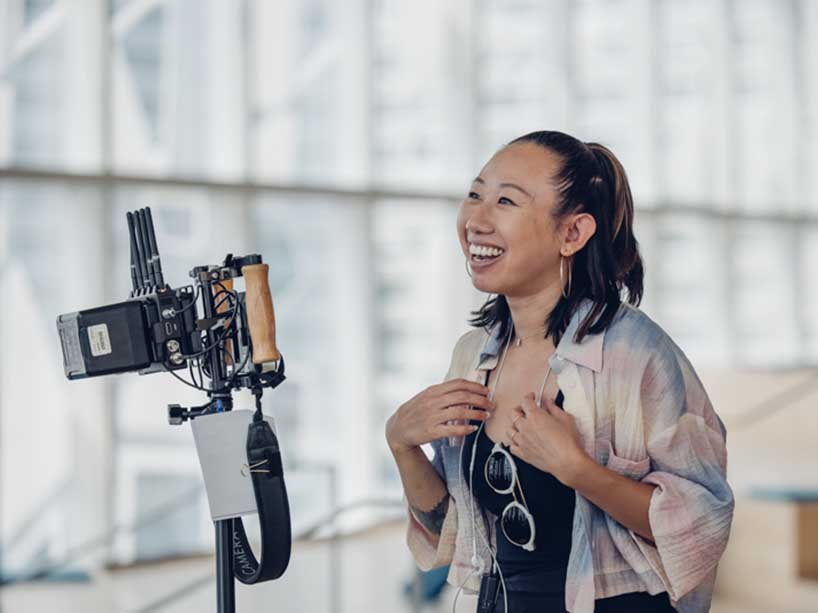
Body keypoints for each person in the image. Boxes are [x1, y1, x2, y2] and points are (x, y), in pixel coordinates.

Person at [384, 131, 734, 612]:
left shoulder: (637, 355)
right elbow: (452, 525)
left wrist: (577, 470)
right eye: (474, 194)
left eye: (506, 201)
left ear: (572, 233)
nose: (476, 220)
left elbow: (704, 521)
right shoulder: (475, 354)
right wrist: (401, 443)